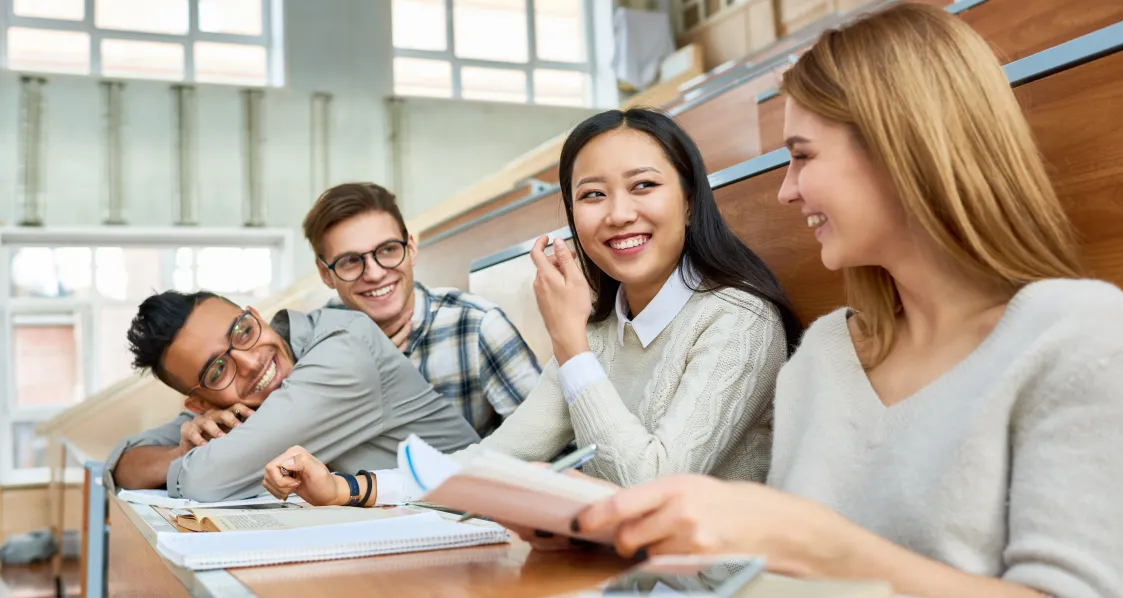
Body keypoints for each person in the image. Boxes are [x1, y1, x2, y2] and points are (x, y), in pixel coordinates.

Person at [569, 5, 1123, 598]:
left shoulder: (1080, 336)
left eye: (803, 155)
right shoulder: (822, 354)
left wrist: (820, 546)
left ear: (900, 147)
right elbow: (778, 580)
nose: (787, 190)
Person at [260, 108, 804, 506]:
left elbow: (651, 487)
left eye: (643, 186)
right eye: (592, 195)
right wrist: (344, 488)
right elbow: (493, 460)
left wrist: (569, 346)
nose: (617, 214)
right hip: (612, 574)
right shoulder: (596, 332)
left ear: (688, 200)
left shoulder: (738, 320)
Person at [106, 290, 480, 502]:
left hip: (483, 524)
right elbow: (124, 460)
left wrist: (194, 459)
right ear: (201, 404)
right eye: (217, 370)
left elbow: (207, 479)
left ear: (256, 315)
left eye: (243, 330)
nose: (251, 361)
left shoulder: (344, 350)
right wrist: (179, 452)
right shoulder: (235, 405)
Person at [304, 182, 542, 437]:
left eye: (387, 250)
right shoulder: (315, 344)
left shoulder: (476, 327)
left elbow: (554, 448)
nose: (374, 274)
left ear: (411, 248)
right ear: (325, 274)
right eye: (350, 261)